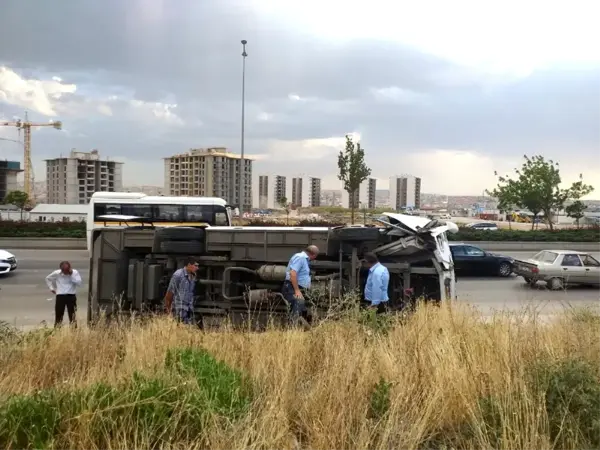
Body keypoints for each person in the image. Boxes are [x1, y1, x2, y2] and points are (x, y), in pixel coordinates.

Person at [282, 245, 319, 323]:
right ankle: (293, 327)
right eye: (315, 256)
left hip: (296, 287)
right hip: (291, 287)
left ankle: (299, 327)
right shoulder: (301, 258)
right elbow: (293, 273)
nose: (314, 258)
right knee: (298, 302)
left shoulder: (304, 259)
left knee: (302, 308)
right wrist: (297, 290)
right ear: (313, 254)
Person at [45, 261, 83, 328]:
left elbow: (79, 283)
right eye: (64, 271)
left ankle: (74, 331)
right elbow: (48, 278)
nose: (65, 273)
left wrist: (71, 276)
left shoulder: (75, 272)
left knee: (72, 315)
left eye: (67, 271)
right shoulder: (57, 273)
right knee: (59, 315)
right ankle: (57, 330)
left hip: (71, 296)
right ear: (61, 270)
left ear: (70, 268)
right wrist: (51, 288)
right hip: (60, 295)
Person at [164, 257, 199, 324]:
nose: (197, 268)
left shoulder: (193, 276)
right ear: (189, 265)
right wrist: (169, 312)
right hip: (179, 309)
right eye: (195, 265)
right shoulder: (178, 275)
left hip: (189, 309)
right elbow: (169, 294)